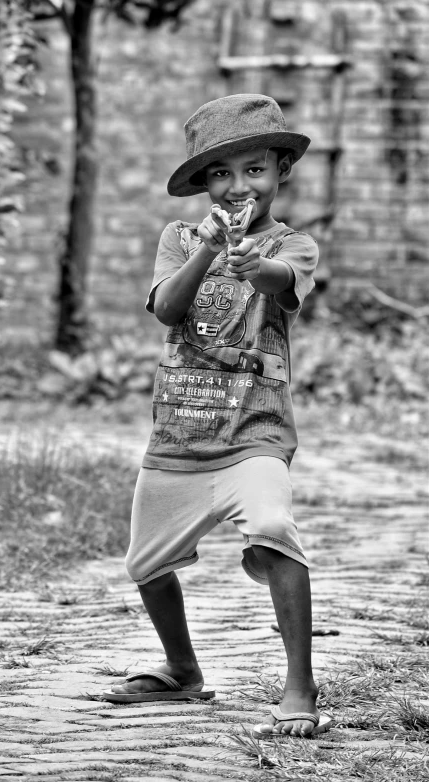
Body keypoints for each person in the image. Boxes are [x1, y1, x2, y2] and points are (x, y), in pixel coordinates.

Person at [102, 94, 332, 738]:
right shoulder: (178, 239)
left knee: (272, 523)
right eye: (221, 175)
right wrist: (205, 250)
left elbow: (283, 283)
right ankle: (182, 670)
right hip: (179, 434)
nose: (238, 187)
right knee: (146, 563)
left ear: (281, 170)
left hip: (255, 432)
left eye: (255, 170)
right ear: (204, 185)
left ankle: (300, 684)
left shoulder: (295, 245)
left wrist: (255, 264)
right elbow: (168, 311)